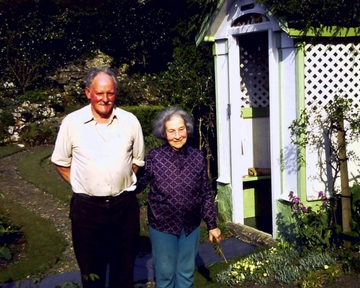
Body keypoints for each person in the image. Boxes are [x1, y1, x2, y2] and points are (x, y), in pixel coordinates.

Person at [51, 67, 145, 288]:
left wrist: (115, 180)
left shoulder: (129, 121)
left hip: (124, 207)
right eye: (99, 93)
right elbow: (61, 162)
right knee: (91, 271)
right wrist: (83, 184)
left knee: (123, 270)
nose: (105, 99)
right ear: (88, 93)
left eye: (110, 93)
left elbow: (137, 161)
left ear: (116, 93)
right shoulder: (72, 123)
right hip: (87, 210)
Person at [136, 107, 221, 288]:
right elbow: (137, 185)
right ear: (163, 132)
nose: (177, 135)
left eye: (181, 129)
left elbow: (205, 192)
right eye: (171, 131)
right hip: (162, 225)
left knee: (186, 273)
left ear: (187, 129)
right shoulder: (154, 157)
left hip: (190, 226)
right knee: (165, 274)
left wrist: (212, 225)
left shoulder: (197, 156)